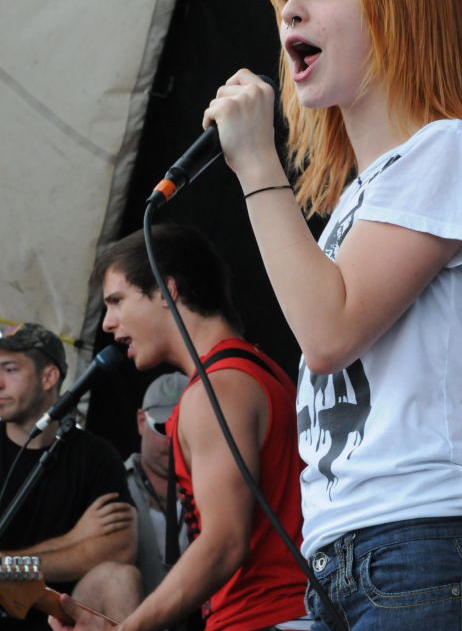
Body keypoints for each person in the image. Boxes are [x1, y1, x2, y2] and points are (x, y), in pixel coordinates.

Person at [200, 0, 462, 629]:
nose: (292, 9)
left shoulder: (449, 150)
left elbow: (328, 332)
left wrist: (258, 163)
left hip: (426, 548)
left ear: (401, 12)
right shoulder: (359, 201)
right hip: (350, 559)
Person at [53, 222, 308, 631]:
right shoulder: (255, 371)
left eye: (117, 301)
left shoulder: (216, 389)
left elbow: (224, 543)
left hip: (265, 618)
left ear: (166, 291)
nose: (107, 323)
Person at [0, 322, 138, 629]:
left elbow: (120, 549)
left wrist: (8, 566)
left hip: (61, 616)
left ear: (49, 377)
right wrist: (73, 540)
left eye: (9, 369)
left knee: (119, 578)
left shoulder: (96, 455)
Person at [125, 372, 189, 595]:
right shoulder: (110, 483)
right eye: (163, 427)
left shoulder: (215, 490)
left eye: (182, 427)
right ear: (141, 421)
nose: (172, 438)